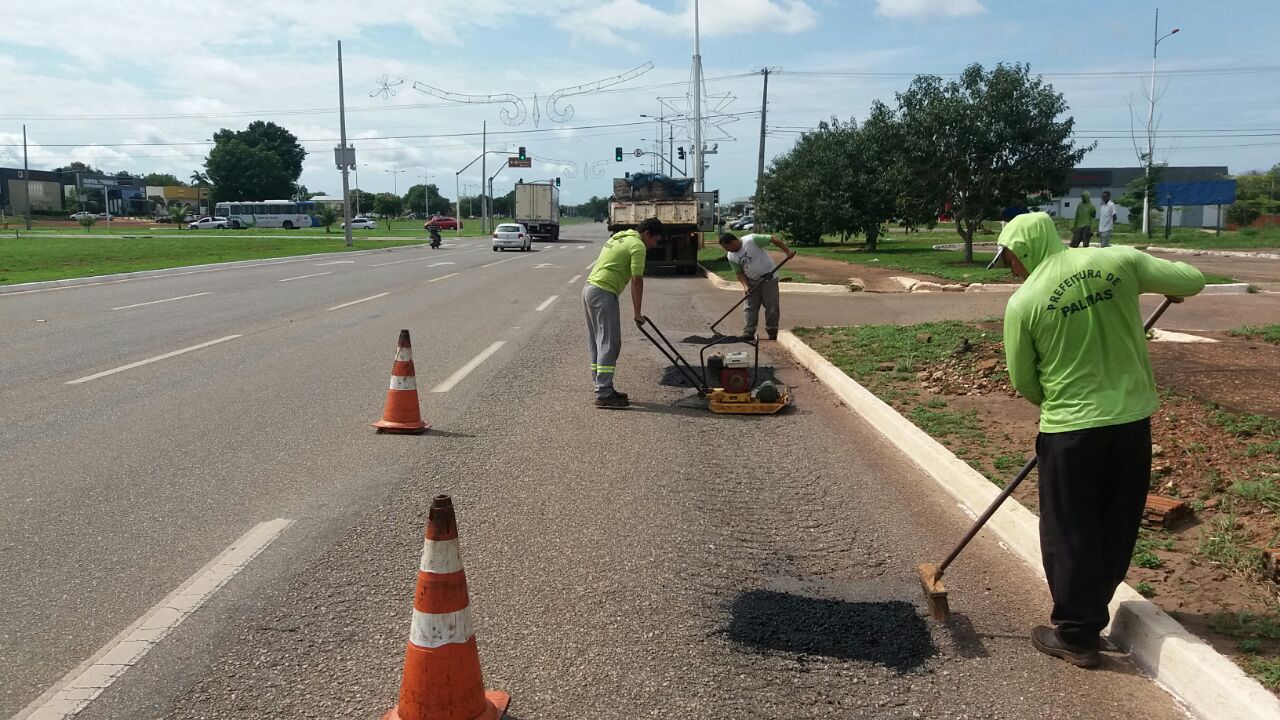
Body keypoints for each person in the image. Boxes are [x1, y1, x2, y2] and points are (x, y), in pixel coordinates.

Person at [988, 212, 1204, 668]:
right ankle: (1089, 615)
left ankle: (1077, 635)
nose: (1011, 269)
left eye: (1009, 259)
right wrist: (1173, 289)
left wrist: (1062, 404)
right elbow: (1193, 279)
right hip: (1130, 426)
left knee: (1070, 529)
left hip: (1070, 432)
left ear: (1023, 250)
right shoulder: (1119, 260)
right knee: (1115, 523)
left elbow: (1024, 380)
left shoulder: (1023, 302)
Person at [583, 217, 664, 409]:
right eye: (655, 240)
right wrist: (638, 313)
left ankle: (603, 387)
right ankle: (603, 392)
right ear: (646, 234)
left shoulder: (620, 237)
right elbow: (637, 280)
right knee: (610, 343)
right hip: (603, 292)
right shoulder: (638, 246)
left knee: (598, 341)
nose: (654, 245)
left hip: (590, 289)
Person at [718, 232, 796, 341]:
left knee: (771, 306)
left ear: (733, 241)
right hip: (751, 281)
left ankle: (772, 331)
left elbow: (773, 239)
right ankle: (748, 332)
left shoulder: (751, 240)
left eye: (727, 247)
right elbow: (739, 273)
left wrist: (787, 251)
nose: (727, 250)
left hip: (769, 278)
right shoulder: (731, 256)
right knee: (749, 307)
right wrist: (746, 286)